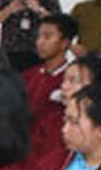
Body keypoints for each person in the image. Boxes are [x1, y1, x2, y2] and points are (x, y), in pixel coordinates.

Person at [25, 14, 75, 156]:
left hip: (54, 152)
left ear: (65, 43)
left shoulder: (72, 80)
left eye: (47, 37)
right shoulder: (28, 75)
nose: (40, 42)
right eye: (39, 37)